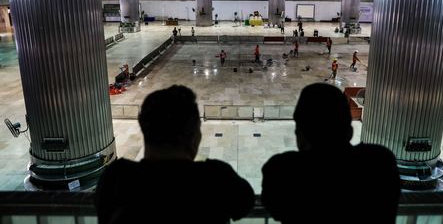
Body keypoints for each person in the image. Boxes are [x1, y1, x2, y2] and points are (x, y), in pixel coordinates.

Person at [95, 85, 255, 224]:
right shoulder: (216, 177)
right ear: (194, 136)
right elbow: (246, 205)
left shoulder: (116, 178)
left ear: (144, 128)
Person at [261, 83, 400, 224]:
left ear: (300, 134)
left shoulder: (281, 170)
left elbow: (272, 209)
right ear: (349, 131)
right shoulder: (380, 163)